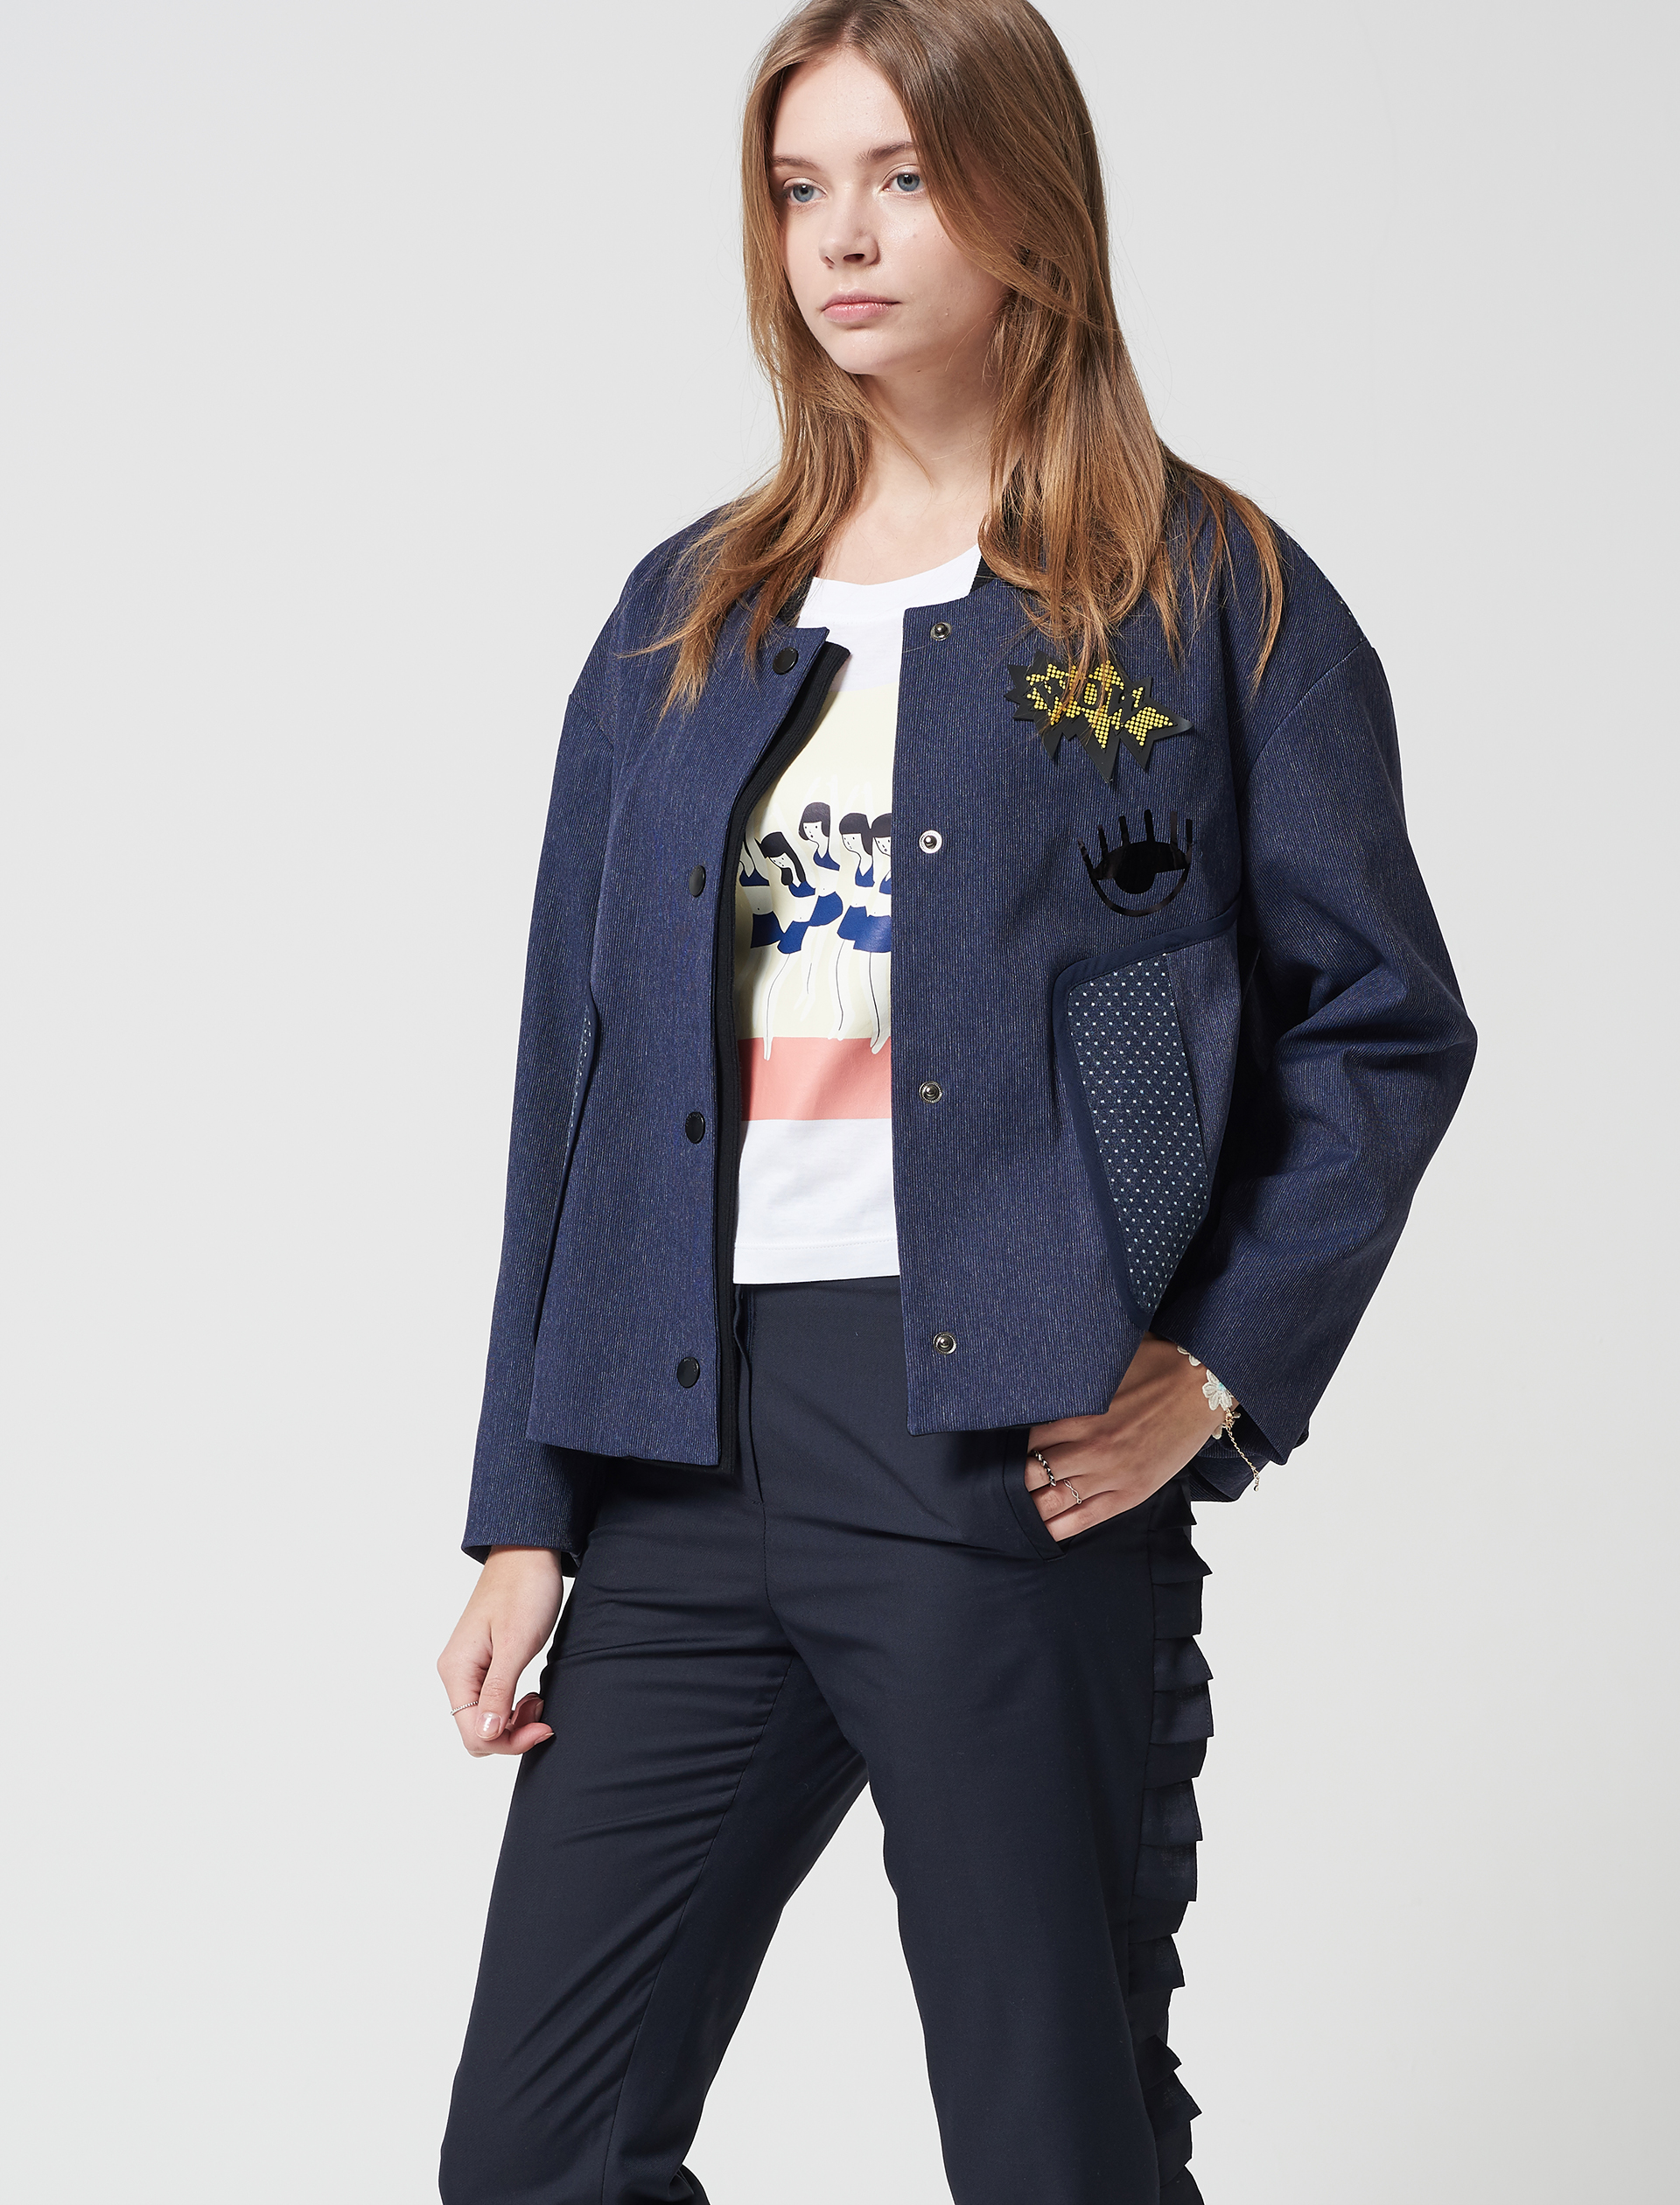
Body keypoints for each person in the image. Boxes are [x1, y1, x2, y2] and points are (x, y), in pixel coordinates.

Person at [435, 3, 1475, 2200]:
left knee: (1051, 2142)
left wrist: (1218, 1373)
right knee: (534, 2154)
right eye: (801, 188)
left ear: (1029, 205)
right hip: (681, 1451)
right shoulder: (684, 617)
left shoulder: (1210, 595)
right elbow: (571, 1073)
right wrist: (527, 1506)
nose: (843, 238)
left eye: (903, 179)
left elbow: (1382, 1024)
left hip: (1005, 1446)